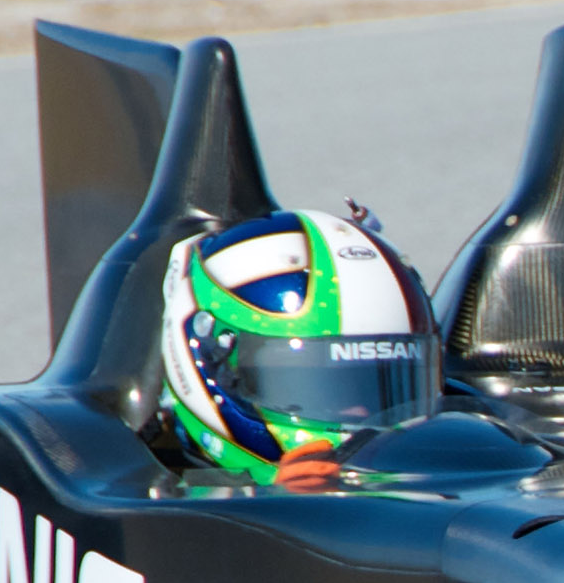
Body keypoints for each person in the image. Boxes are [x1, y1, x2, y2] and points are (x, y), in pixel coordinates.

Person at [157, 205, 440, 492]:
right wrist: (274, 504)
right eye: (323, 388)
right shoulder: (139, 509)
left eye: (379, 390)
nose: (361, 414)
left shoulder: (450, 460)